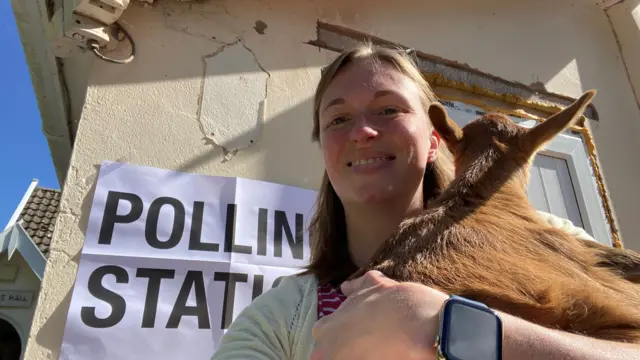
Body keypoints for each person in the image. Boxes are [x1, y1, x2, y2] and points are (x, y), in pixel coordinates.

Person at [211, 43, 640, 360]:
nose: (362, 132)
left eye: (388, 110)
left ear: (438, 139)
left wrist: (463, 330)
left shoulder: (557, 236)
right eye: (338, 119)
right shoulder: (277, 317)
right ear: (325, 148)